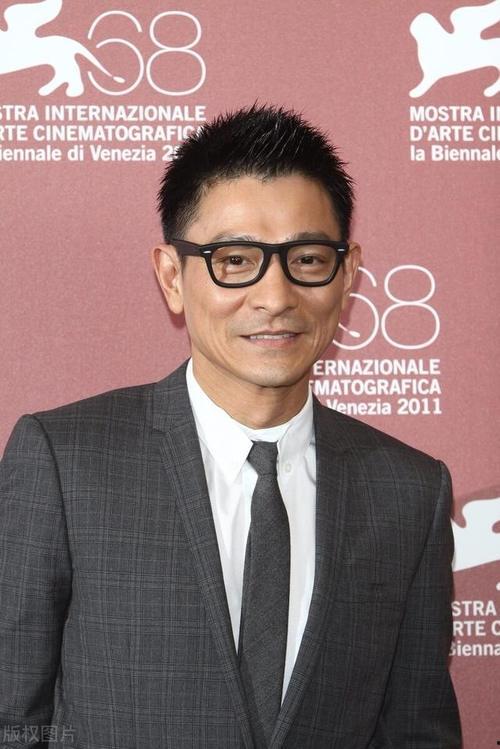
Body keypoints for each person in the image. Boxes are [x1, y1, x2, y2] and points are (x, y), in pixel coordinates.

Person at [0, 104, 461, 749]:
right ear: (172, 276)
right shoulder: (65, 462)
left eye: (307, 258)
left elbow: (417, 733)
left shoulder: (409, 492)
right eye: (236, 259)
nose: (275, 297)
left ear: (348, 274)